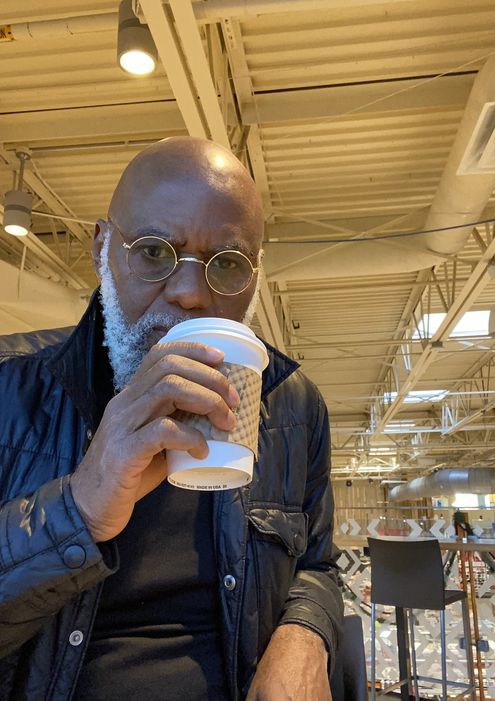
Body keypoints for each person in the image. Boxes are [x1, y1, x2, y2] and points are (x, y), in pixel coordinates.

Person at [0, 137, 343, 700]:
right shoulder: (12, 389)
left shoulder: (294, 407)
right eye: (155, 252)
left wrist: (305, 633)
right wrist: (81, 507)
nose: (188, 293)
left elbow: (320, 566)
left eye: (227, 264)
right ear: (102, 248)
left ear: (256, 275)